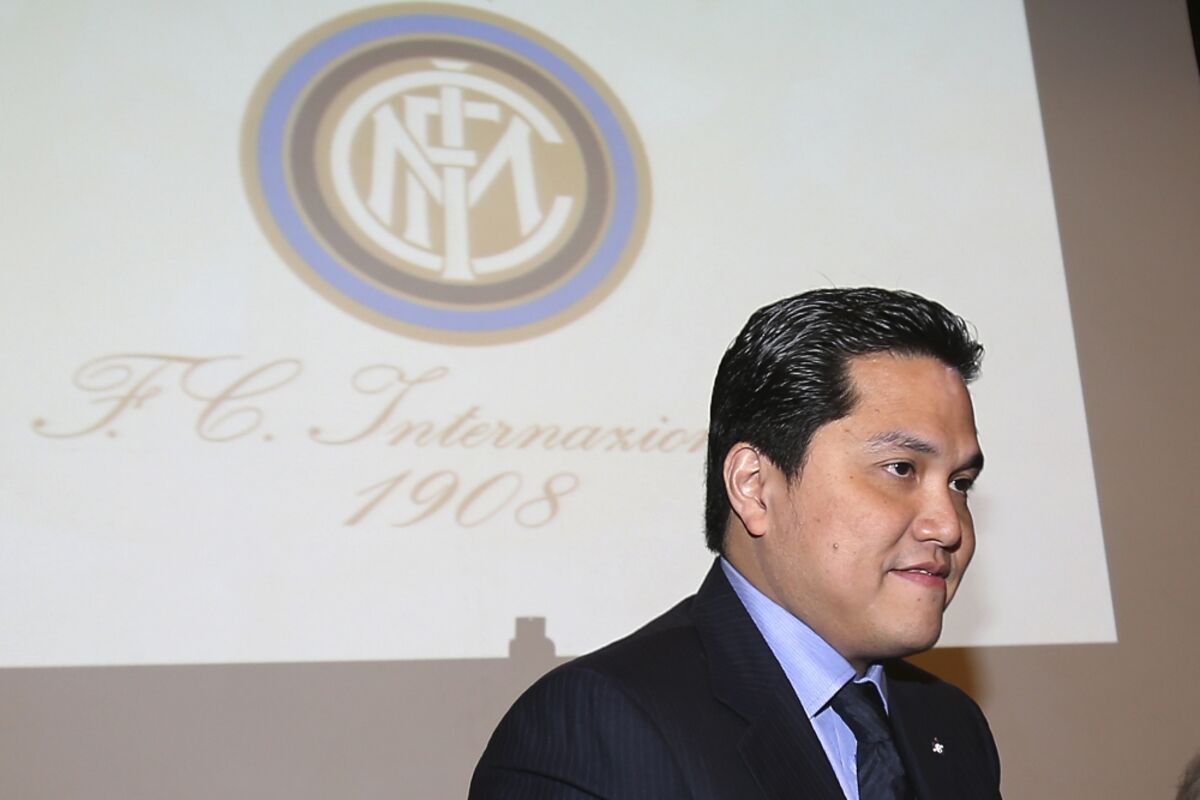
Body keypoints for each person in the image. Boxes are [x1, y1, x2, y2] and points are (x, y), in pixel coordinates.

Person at [470, 287, 1002, 799]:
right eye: (901, 468)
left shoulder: (949, 725)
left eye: (961, 484)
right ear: (753, 486)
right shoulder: (597, 728)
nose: (949, 525)